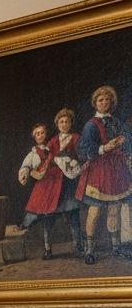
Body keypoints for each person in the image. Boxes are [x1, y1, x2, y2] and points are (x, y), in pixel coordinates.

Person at [76, 85, 132, 264]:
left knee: (114, 210)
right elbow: (83, 150)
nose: (104, 102)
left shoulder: (116, 122)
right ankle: (89, 250)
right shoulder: (91, 125)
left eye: (107, 99)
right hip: (99, 172)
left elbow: (128, 138)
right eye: (101, 100)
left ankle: (116, 247)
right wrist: (104, 148)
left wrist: (124, 140)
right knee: (95, 211)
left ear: (111, 102)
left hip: (117, 170)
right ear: (95, 103)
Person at [17, 111, 83, 258]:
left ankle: (78, 245)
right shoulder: (52, 141)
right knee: (48, 216)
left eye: (67, 122)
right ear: (57, 124)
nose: (64, 124)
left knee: (73, 214)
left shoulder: (76, 138)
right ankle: (48, 248)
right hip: (52, 185)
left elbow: (81, 157)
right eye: (61, 122)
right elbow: (43, 161)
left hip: (68, 183)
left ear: (71, 124)